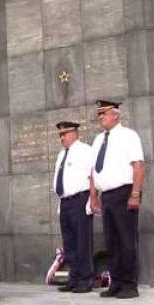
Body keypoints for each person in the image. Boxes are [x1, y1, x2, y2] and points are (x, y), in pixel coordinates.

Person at [88, 100, 145, 299]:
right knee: (112, 242)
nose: (100, 117)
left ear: (116, 115)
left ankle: (130, 284)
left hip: (125, 192)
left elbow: (138, 166)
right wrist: (94, 197)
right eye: (99, 114)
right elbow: (94, 171)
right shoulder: (97, 140)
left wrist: (135, 194)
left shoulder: (129, 136)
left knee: (127, 241)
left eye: (104, 113)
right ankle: (116, 282)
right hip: (107, 195)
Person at [52, 122, 94, 293]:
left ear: (75, 133)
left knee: (82, 241)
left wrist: (93, 199)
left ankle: (86, 279)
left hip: (80, 199)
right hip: (65, 201)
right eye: (60, 135)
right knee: (69, 243)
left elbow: (92, 175)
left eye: (65, 133)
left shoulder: (85, 150)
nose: (62, 137)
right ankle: (74, 278)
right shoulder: (62, 154)